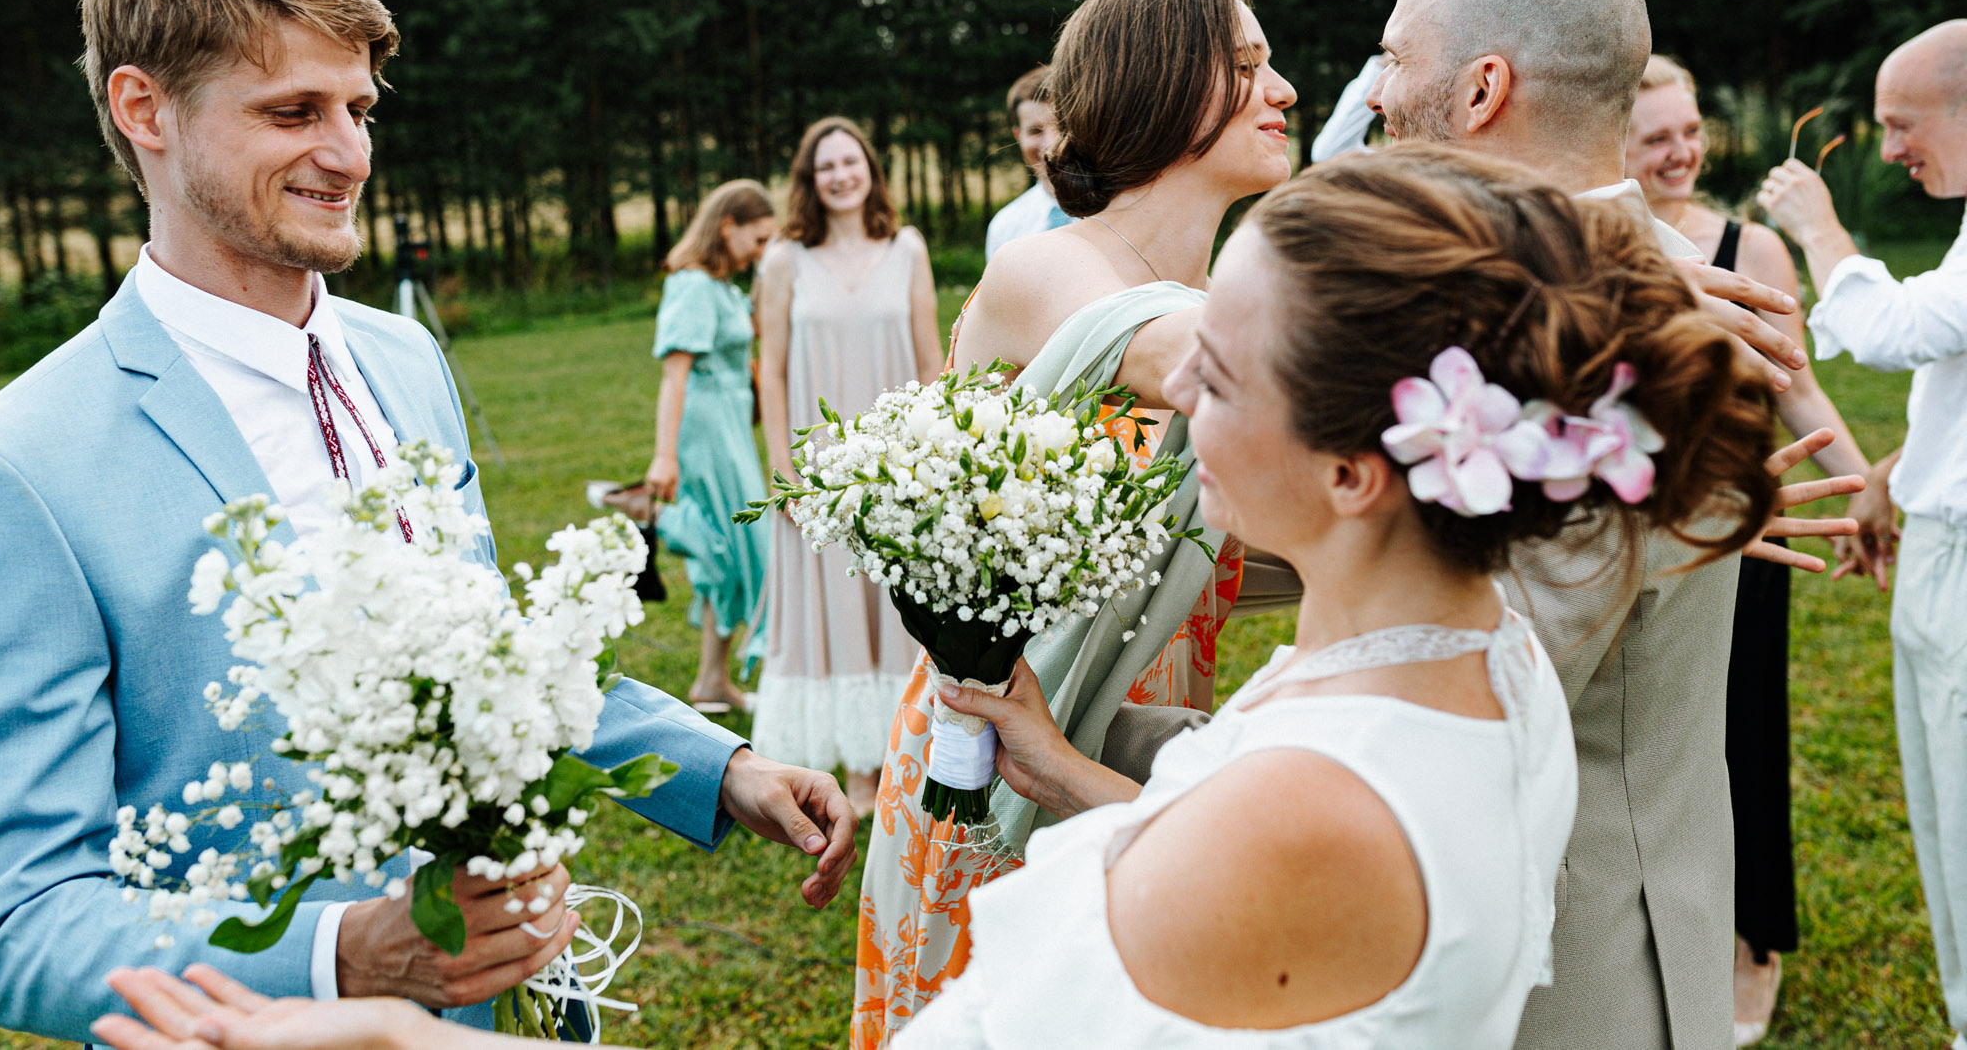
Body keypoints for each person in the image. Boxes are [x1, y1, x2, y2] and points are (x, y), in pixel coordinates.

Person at [94, 148, 1787, 1050]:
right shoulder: (1461, 655)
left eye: (1215, 369)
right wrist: (1057, 768)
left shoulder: (1319, 802)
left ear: (1361, 468)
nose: (1172, 401)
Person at [0, 0, 853, 1042]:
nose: (348, 155)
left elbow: (483, 662)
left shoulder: (402, 357)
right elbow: (12, 920)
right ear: (145, 108)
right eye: (293, 111)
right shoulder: (22, 465)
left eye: (359, 108)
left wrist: (709, 763)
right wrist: (338, 956)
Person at [1360, 0, 1863, 1049]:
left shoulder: (1649, 328)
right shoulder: (1552, 291)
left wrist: (1143, 765)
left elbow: (1482, 677)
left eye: (1394, 55)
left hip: (1578, 957)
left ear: (1482, 86)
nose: (1376, 90)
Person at [852, 0, 1276, 1045]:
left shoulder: (1224, 299)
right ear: (1167, 87)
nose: (1281, 90)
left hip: (1132, 761)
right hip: (991, 764)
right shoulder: (1050, 274)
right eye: (1246, 65)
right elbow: (1199, 356)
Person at [1626, 52, 1876, 1040]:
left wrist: (1862, 497)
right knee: (1650, 748)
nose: (1680, 151)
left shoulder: (1750, 249)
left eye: (1687, 130)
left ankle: (1750, 940)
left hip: (1743, 527)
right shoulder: (1601, 246)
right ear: (1612, 142)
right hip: (1632, 525)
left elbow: (1798, 392)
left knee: (1742, 735)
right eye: (1654, 139)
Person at [1758, 18, 1967, 1049]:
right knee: (1939, 822)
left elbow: (1897, 333)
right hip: (1937, 546)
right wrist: (1890, 474)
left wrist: (1817, 229)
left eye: (1899, 123)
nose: (1886, 147)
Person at [752, 117, 944, 817]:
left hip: (897, 460)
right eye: (825, 166)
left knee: (894, 605)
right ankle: (850, 764)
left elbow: (930, 360)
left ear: (870, 169)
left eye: (850, 162)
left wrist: (932, 456)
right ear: (810, 179)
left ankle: (893, 753)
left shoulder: (908, 249)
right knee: (831, 604)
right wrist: (784, 469)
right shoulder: (784, 259)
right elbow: (768, 371)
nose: (840, 175)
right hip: (819, 464)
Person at [645, 179, 779, 713]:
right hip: (706, 432)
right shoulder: (694, 285)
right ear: (729, 227)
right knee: (749, 546)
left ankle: (711, 682)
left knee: (725, 551)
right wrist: (665, 455)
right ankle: (772, 674)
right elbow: (675, 376)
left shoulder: (724, 286)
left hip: (731, 427)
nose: (762, 251)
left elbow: (756, 331)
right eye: (759, 239)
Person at [981, 66, 1069, 258]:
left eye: (1061, 128)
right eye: (1036, 131)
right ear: (1017, 135)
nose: (1051, 144)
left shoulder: (1119, 212)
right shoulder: (1005, 227)